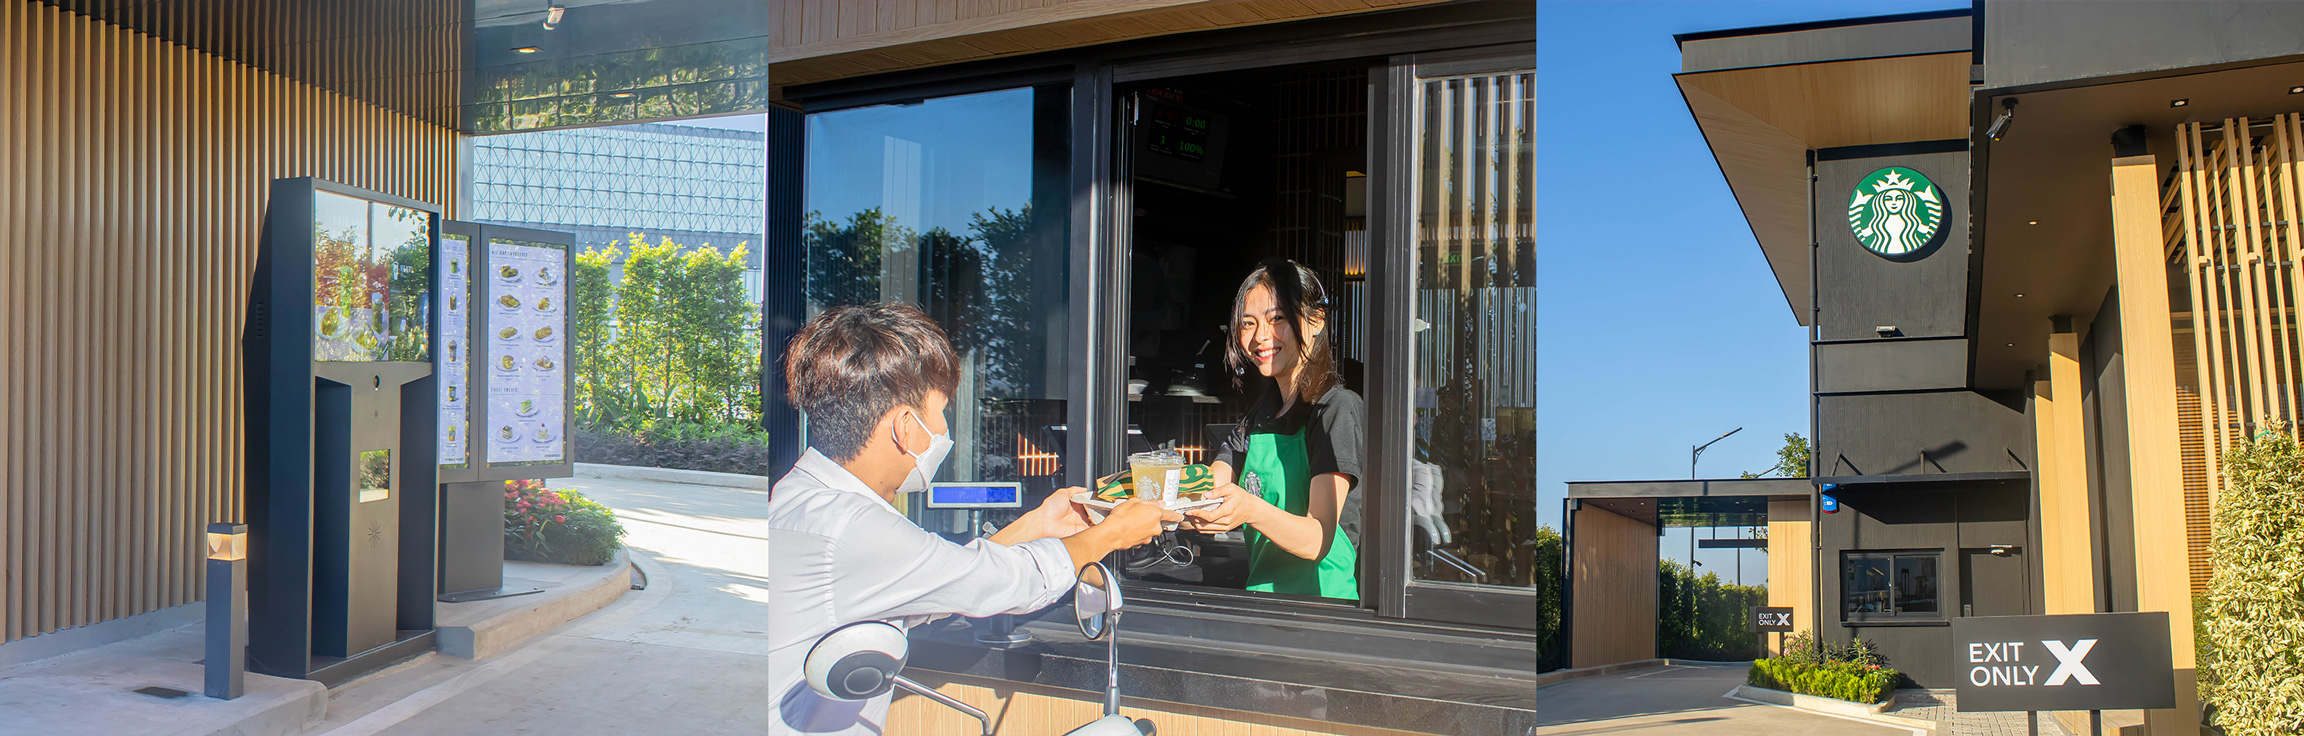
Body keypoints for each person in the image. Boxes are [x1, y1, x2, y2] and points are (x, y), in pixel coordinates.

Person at [768, 303, 1178, 735]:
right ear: (905, 427)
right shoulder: (852, 528)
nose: (944, 430)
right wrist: (1112, 533)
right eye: (941, 411)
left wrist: (1037, 524)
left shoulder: (802, 498)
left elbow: (940, 579)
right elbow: (1002, 583)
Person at [1186, 260, 1365, 601]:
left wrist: (1249, 509)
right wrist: (1146, 499)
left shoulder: (1336, 410)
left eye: (1277, 319)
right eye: (1247, 324)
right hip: (1262, 603)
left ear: (1315, 321)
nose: (1260, 337)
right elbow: (1208, 489)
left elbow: (1318, 539)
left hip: (1323, 610)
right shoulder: (1255, 420)